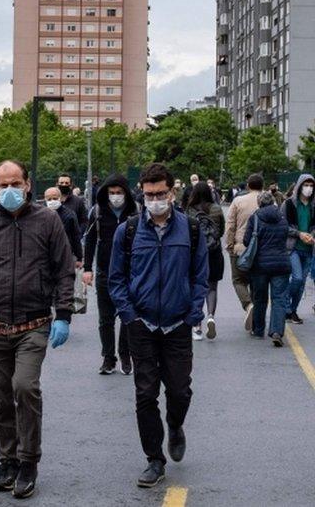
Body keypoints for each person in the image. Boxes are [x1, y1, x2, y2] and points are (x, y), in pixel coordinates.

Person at [0, 160, 75, 499]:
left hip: (33, 325)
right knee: (0, 398)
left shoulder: (48, 221)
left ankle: (28, 460)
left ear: (28, 184)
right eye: (3, 185)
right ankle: (8, 460)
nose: (9, 190)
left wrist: (63, 313)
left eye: (15, 183)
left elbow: (64, 270)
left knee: (24, 388)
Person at [109, 163, 208, 489]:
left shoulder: (191, 230)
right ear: (142, 193)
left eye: (161, 194)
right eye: (149, 195)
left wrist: (194, 313)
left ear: (172, 192)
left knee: (179, 390)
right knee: (145, 394)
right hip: (142, 325)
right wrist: (129, 316)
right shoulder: (129, 231)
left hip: (179, 324)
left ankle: (175, 424)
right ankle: (154, 459)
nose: (155, 200)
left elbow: (200, 276)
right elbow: (117, 279)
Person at [83, 174, 139, 375]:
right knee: (105, 319)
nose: (115, 197)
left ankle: (125, 354)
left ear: (126, 193)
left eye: (119, 193)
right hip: (105, 271)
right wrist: (87, 268)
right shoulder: (97, 212)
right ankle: (108, 357)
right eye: (112, 193)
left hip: (130, 273)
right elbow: (89, 241)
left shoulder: (136, 212)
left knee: (127, 316)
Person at [244, 192, 307, 347]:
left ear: (259, 203)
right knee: (278, 298)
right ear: (272, 202)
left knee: (260, 298)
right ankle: (277, 332)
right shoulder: (282, 218)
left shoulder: (255, 218)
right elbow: (287, 234)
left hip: (260, 265)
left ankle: (259, 330)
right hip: (281, 263)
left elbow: (247, 241)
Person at [185, 182, 225, 341]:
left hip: (195, 253)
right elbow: (220, 231)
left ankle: (196, 326)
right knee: (212, 286)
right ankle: (210, 316)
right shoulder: (216, 208)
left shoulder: (190, 210)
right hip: (214, 252)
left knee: (196, 287)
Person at [226, 174, 263, 330]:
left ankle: (248, 304)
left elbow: (230, 225)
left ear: (248, 185)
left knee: (238, 280)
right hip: (261, 248)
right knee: (256, 281)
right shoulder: (269, 201)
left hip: (240, 247)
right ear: (262, 185)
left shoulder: (238, 201)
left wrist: (229, 244)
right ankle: (257, 321)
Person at [282, 173, 315, 325]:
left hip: (308, 248)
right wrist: (299, 234)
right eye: (306, 185)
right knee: (297, 278)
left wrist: (311, 235)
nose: (309, 189)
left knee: (301, 284)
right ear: (300, 186)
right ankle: (284, 305)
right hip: (292, 247)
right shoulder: (289, 204)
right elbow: (283, 226)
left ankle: (292, 311)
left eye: (311, 185)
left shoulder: (313, 205)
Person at [44, 187, 83, 265]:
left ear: (60, 198)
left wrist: (79, 257)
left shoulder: (69, 215)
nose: (52, 201)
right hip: (45, 257)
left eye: (55, 198)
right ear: (45, 199)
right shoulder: (41, 215)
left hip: (65, 256)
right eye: (49, 199)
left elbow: (75, 236)